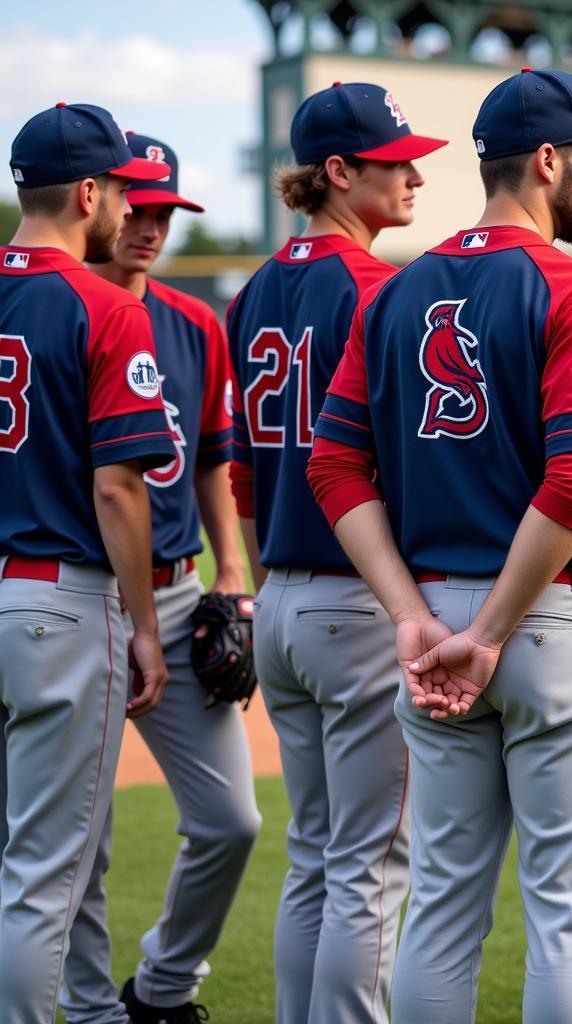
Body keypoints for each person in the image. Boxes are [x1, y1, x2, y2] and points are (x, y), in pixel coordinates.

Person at [308, 66, 572, 1024]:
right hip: (549, 613)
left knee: (444, 902)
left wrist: (413, 616)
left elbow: (333, 469)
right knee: (570, 915)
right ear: (548, 162)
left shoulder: (400, 289)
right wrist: (490, 632)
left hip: (434, 614)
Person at [227, 81, 446, 1024]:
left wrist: (255, 580)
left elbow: (240, 473)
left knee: (316, 854)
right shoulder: (384, 290)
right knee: (369, 863)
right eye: (395, 161)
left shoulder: (251, 293)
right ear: (339, 172)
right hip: (362, 600)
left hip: (281, 590)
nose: (416, 175)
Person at [60, 131, 261, 1024]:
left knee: (231, 823)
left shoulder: (194, 325)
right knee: (79, 841)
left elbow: (216, 459)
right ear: (99, 203)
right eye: (138, 208)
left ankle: (165, 987)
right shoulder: (54, 308)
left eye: (166, 213)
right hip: (75, 596)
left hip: (177, 595)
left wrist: (234, 566)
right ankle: (91, 1005)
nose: (151, 227)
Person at [0, 102, 174, 1023]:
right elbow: (118, 489)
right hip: (55, 606)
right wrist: (147, 627)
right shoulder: (104, 306)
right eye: (124, 193)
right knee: (39, 876)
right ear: (93, 192)